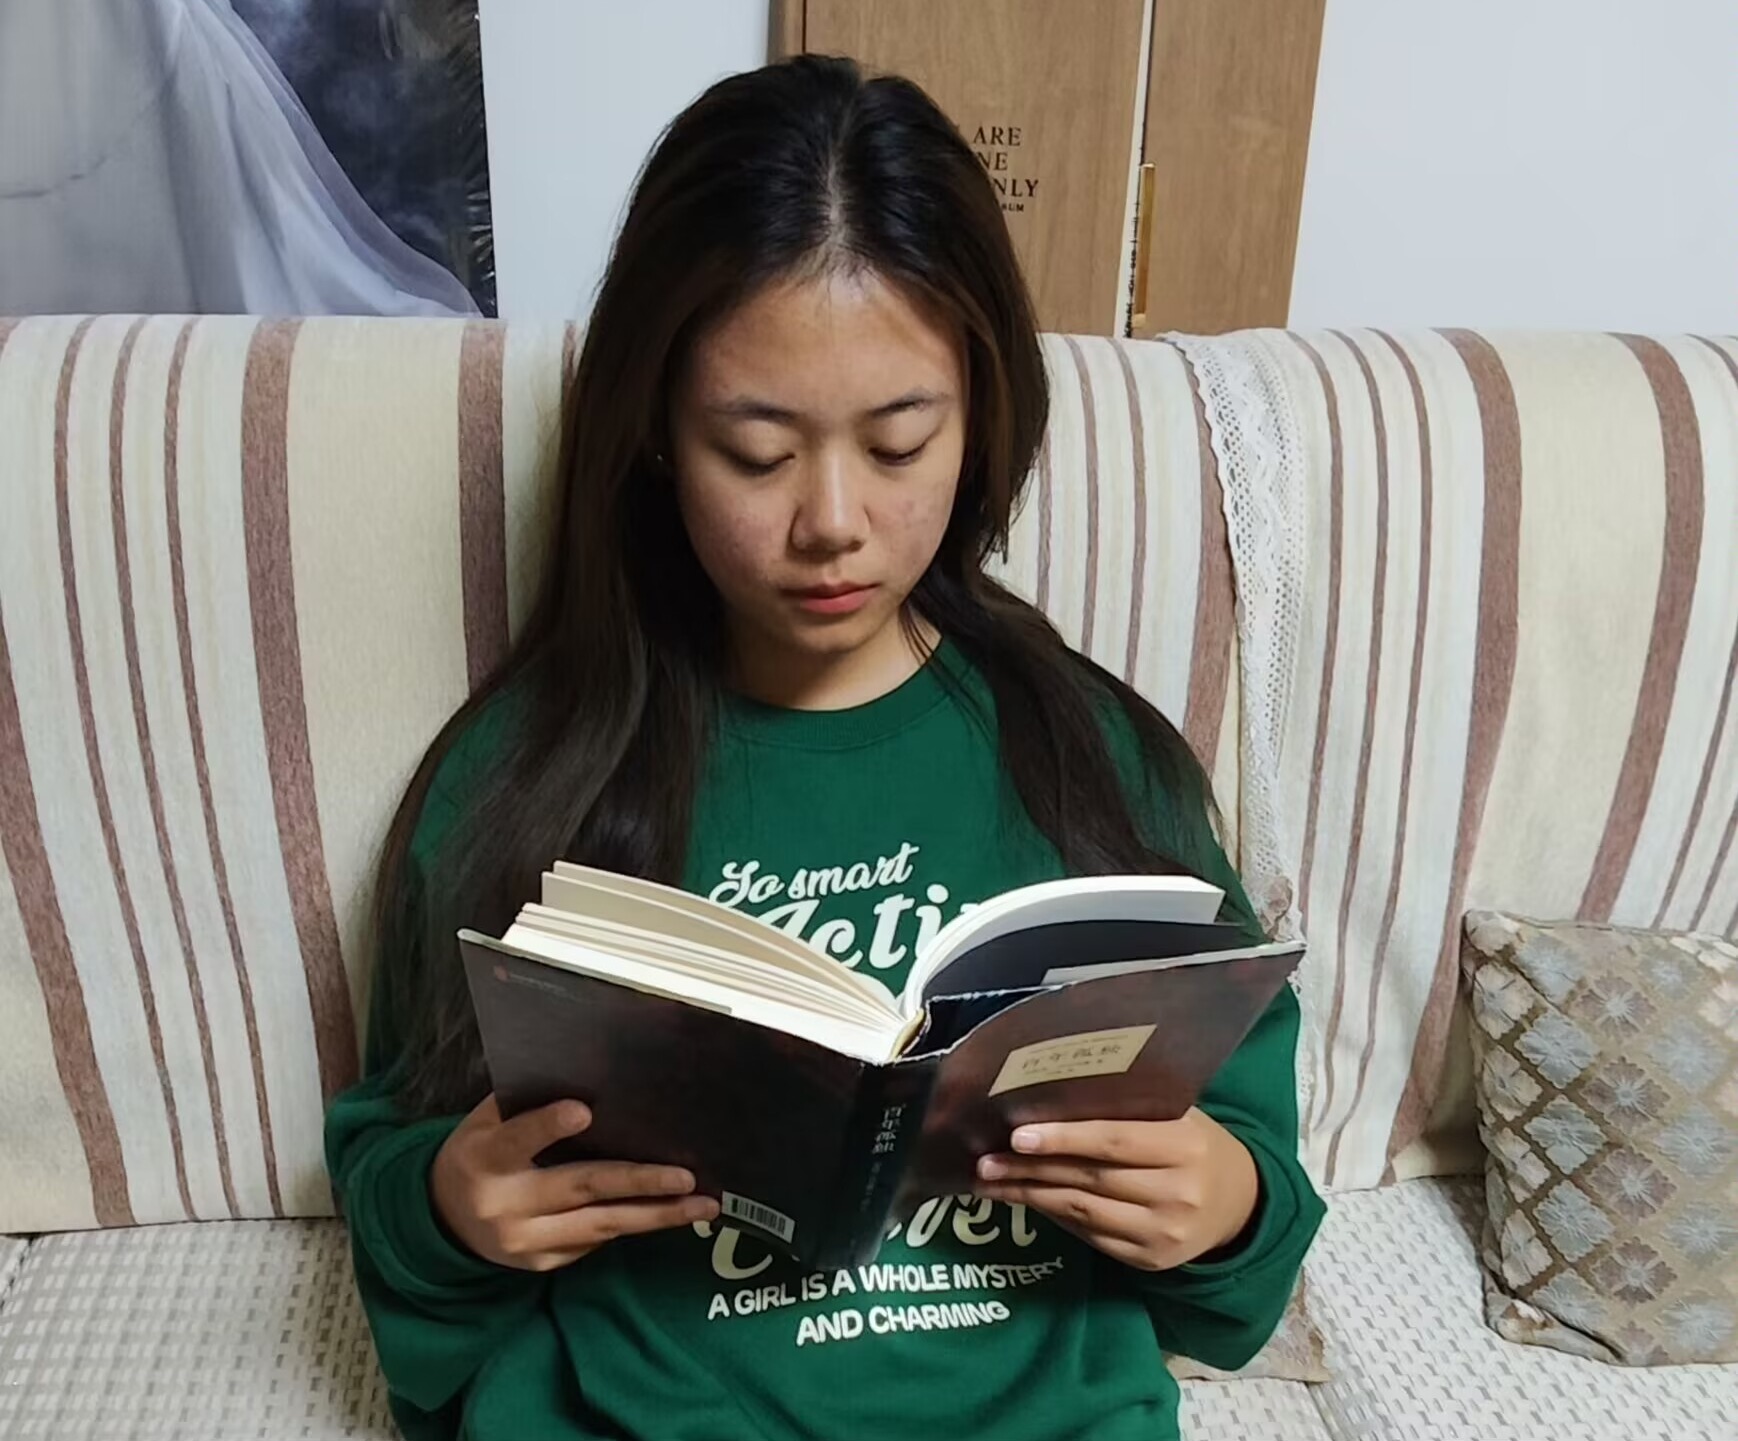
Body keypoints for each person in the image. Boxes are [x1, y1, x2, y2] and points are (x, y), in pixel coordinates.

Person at [326, 53, 1324, 1441]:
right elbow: (396, 1184)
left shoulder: (1100, 766)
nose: (833, 523)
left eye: (900, 442)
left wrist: (1220, 1204)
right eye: (755, 451)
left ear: (980, 420)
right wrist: (454, 1208)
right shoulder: (521, 778)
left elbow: (1248, 1241)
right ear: (653, 433)